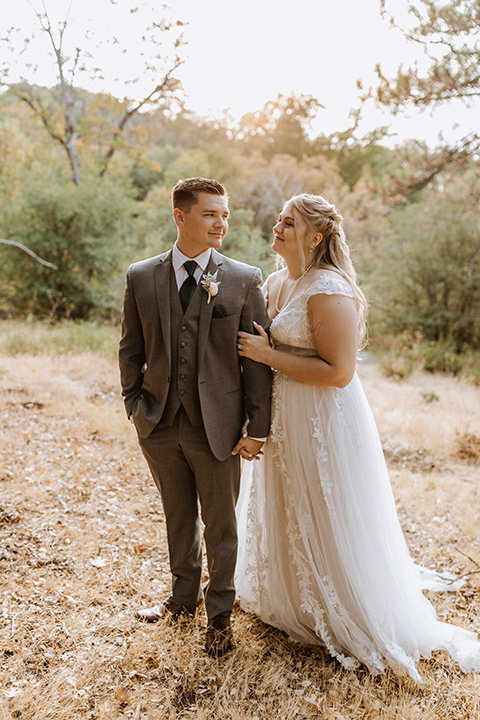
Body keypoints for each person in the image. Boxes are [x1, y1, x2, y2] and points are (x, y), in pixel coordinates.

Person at [233, 193, 480, 681]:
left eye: (288, 222)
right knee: (287, 501)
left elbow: (340, 372)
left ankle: (341, 605)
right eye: (279, 220)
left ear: (315, 236)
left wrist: (266, 356)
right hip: (285, 418)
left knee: (328, 506)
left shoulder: (329, 289)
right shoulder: (279, 281)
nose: (277, 227)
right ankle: (295, 598)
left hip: (324, 417)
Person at [119, 177, 272, 657]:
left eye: (224, 214)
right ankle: (181, 600)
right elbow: (130, 348)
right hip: (159, 422)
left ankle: (219, 617)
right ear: (180, 216)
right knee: (178, 516)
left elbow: (256, 362)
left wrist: (258, 428)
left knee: (221, 525)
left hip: (220, 426)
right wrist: (134, 406)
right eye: (210, 214)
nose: (221, 223)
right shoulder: (141, 276)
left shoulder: (245, 278)